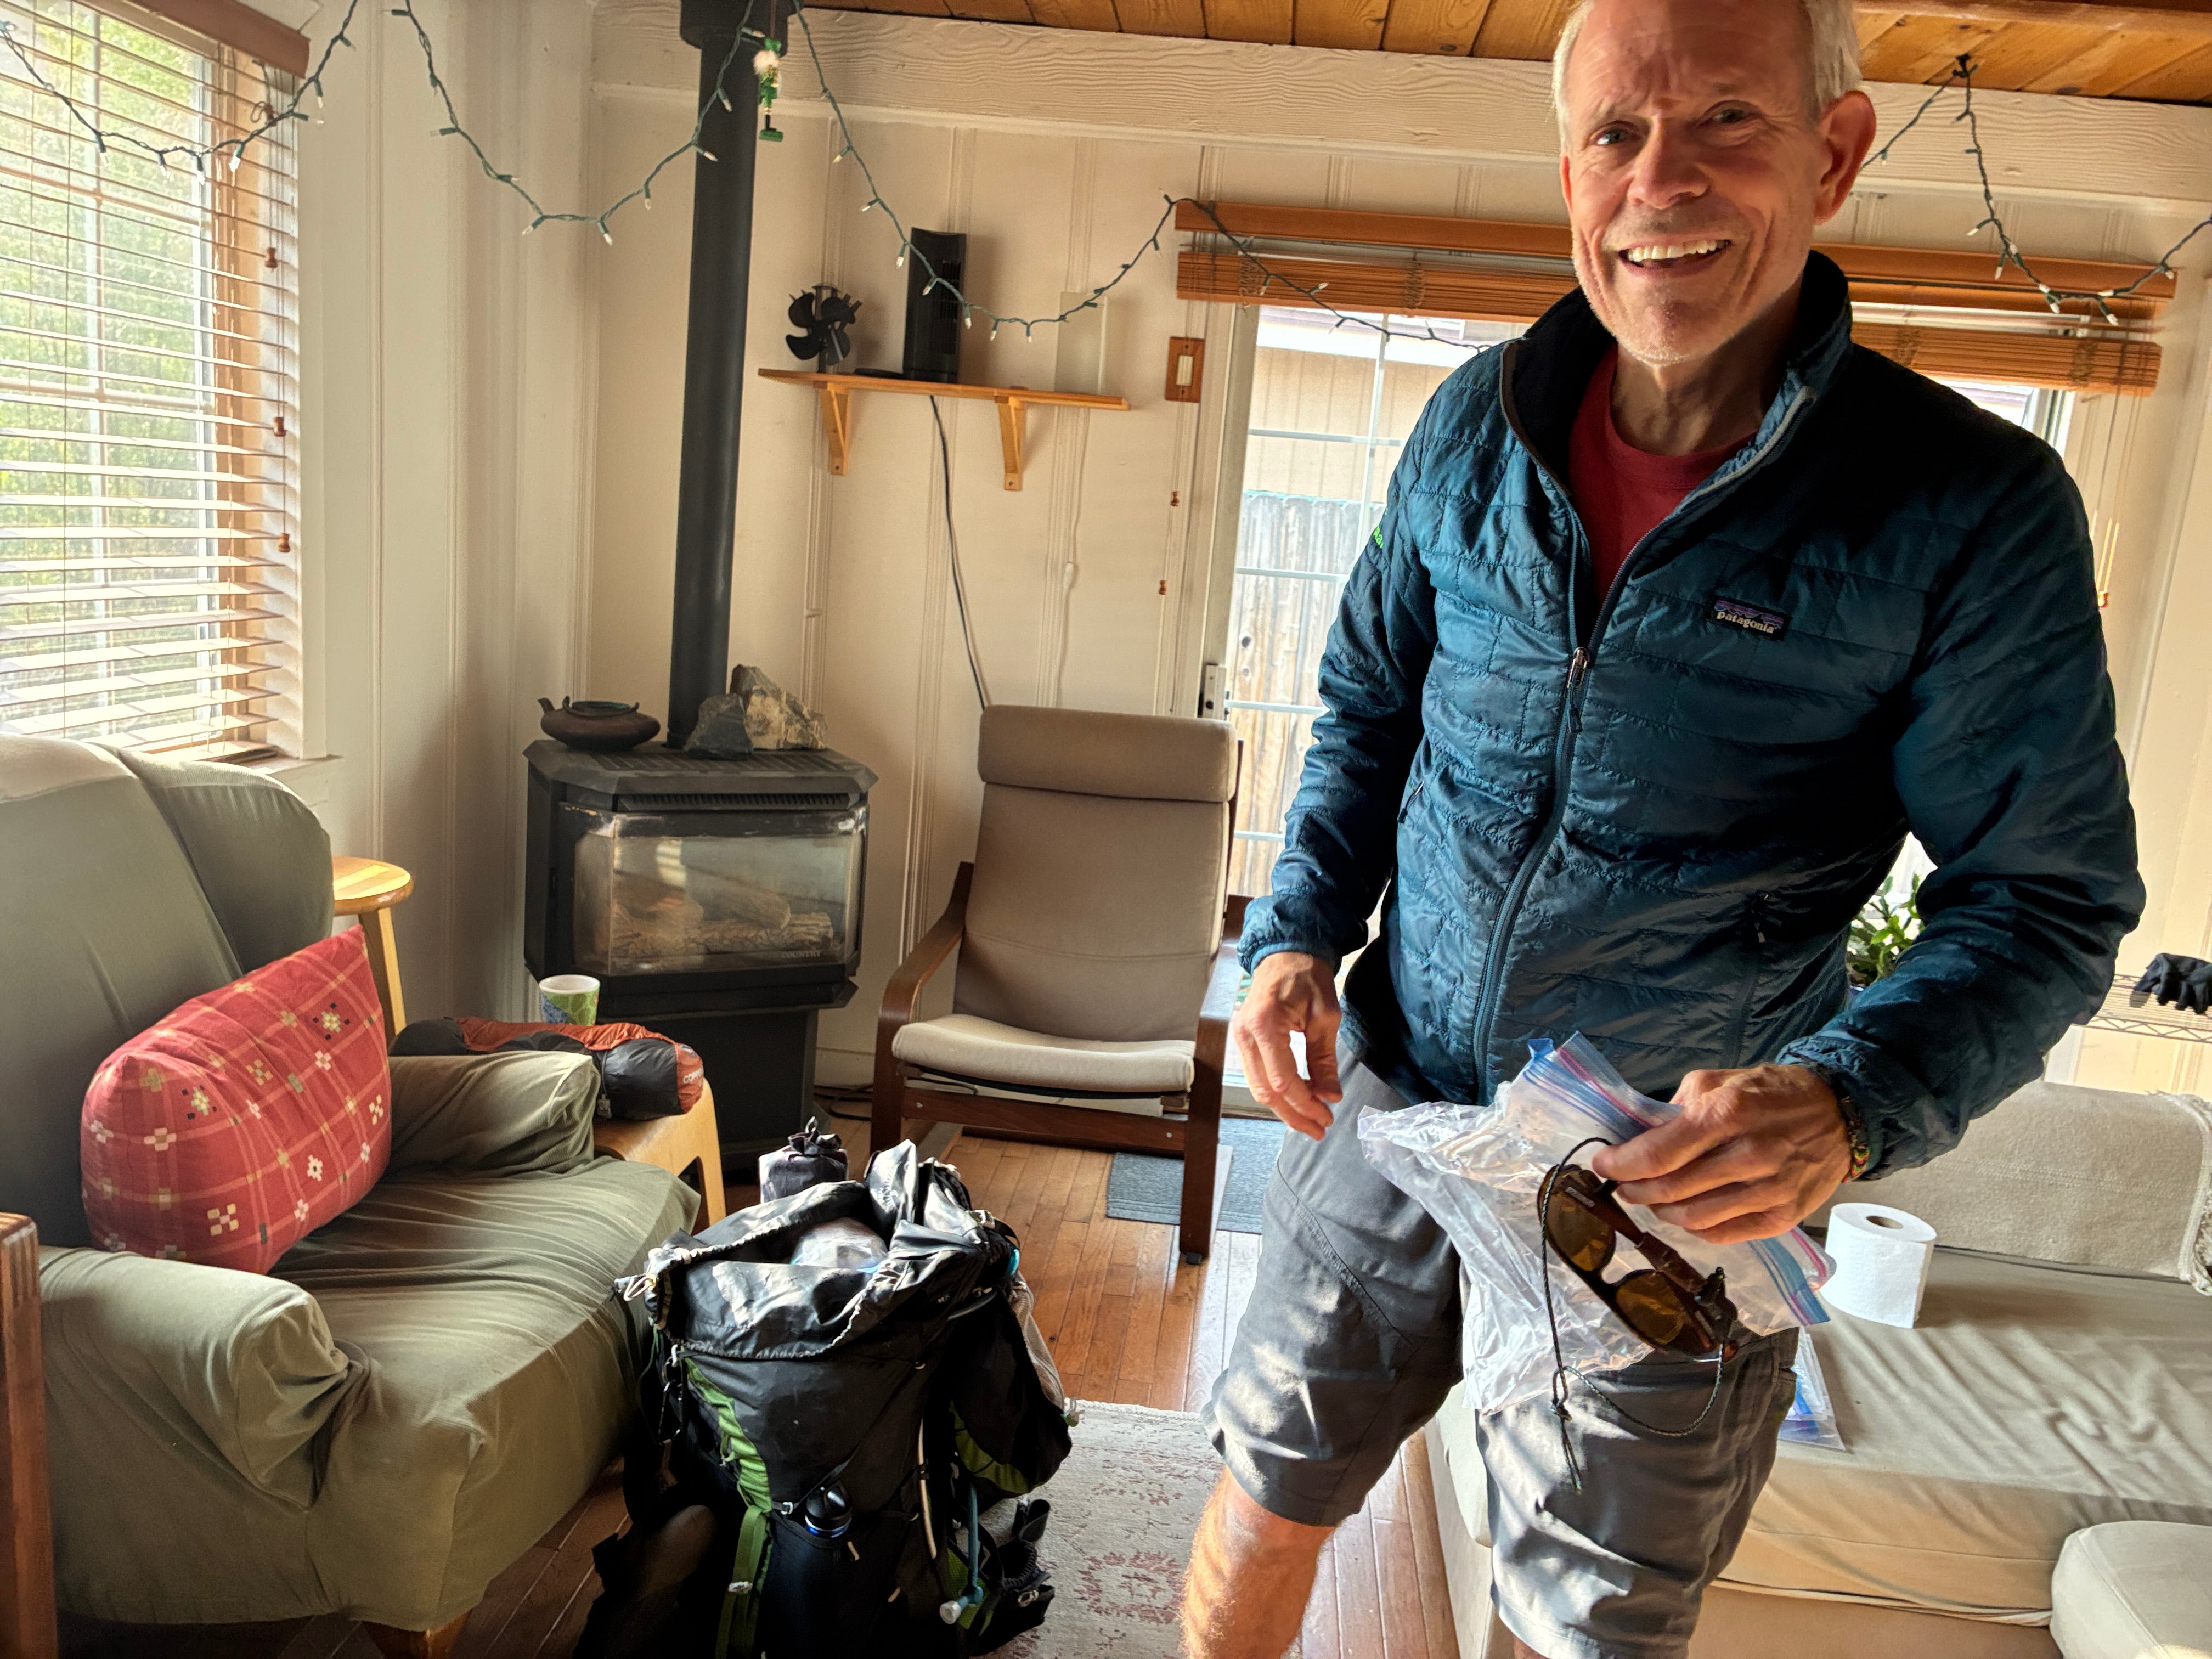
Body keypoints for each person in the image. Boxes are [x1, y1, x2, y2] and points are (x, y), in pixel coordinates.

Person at [1179, 0, 2144, 1655]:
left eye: (1726, 125)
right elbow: (1365, 708)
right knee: (1270, 1475)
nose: (1660, 182)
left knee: (1590, 1624)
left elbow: (2044, 900)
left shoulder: (1969, 510)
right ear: (1569, 168)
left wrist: (1853, 1102)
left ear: (1835, 152)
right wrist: (1290, 935)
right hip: (1400, 1103)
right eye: (1618, 133)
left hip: (1665, 1193)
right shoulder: (1473, 424)